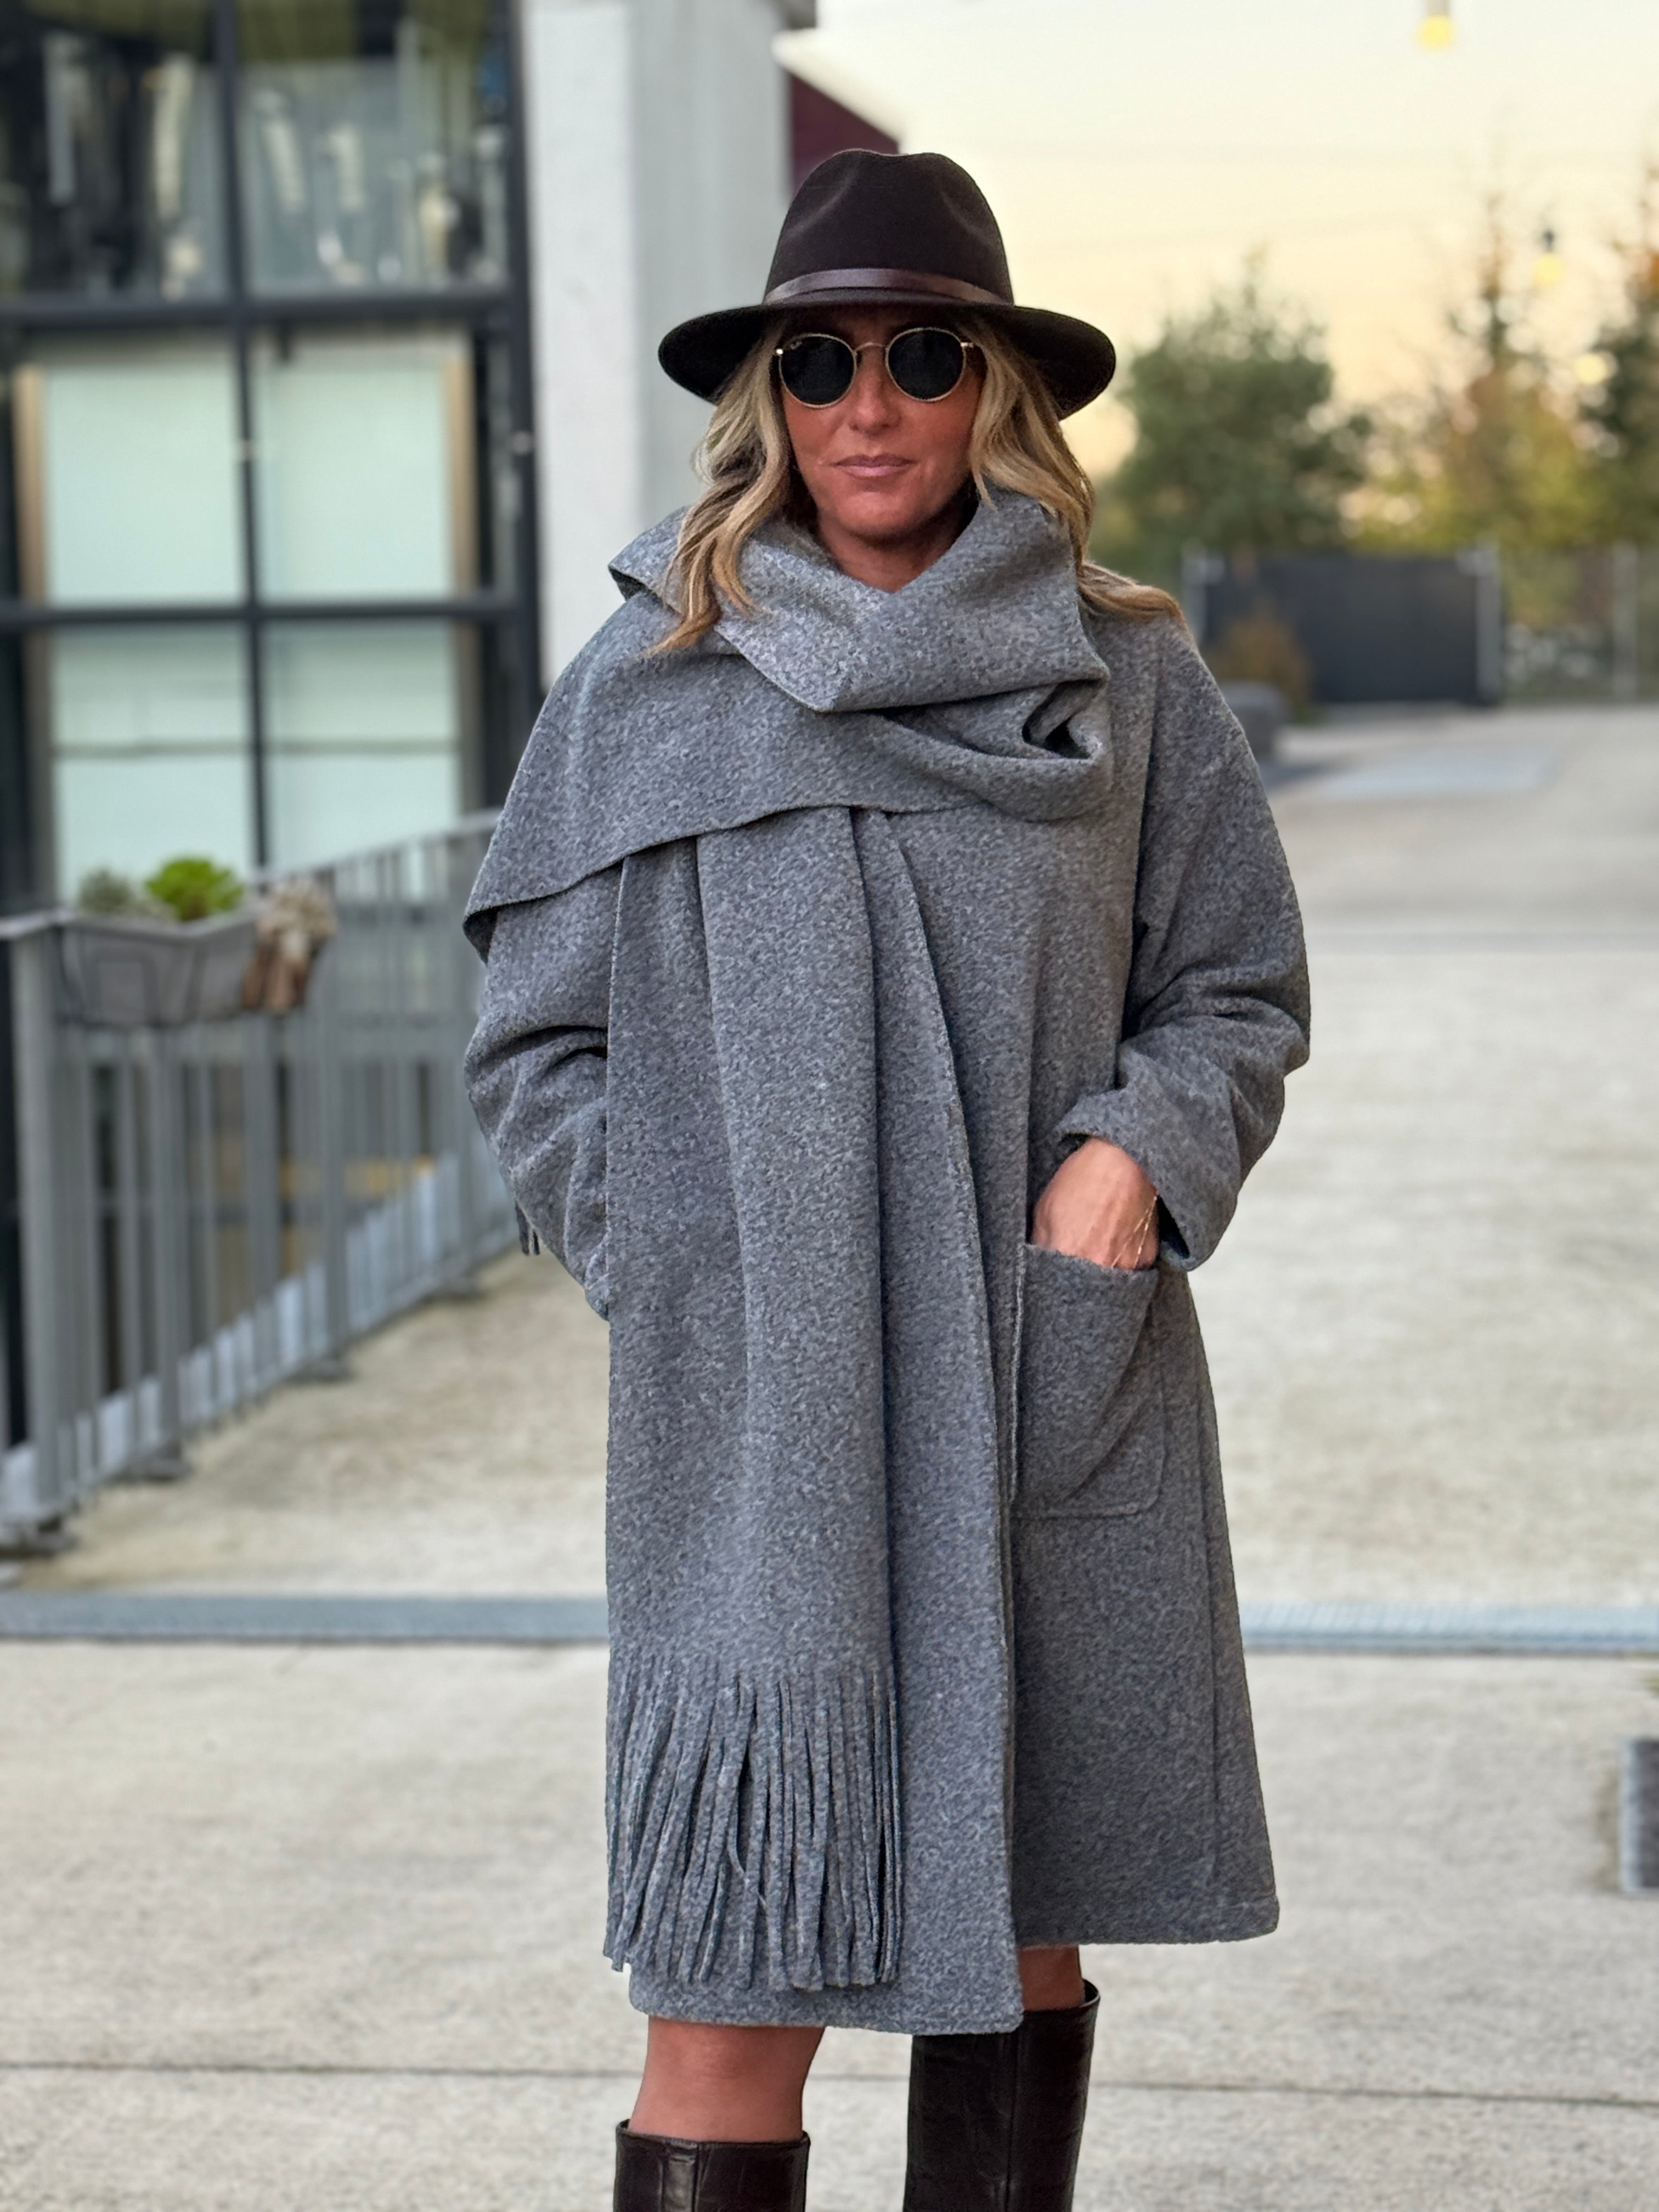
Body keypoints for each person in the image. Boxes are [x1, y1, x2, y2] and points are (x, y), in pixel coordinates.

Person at [464, 150, 1309, 2212]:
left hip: (1042, 1378)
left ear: (992, 390)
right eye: (821, 359)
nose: (870, 403)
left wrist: (1129, 1166)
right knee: (728, 1982)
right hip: (765, 1428)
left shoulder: (1125, 675)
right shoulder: (650, 678)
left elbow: (1236, 990)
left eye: (923, 356)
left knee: (1020, 1935)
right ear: (766, 393)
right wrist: (676, 1248)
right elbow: (531, 1046)